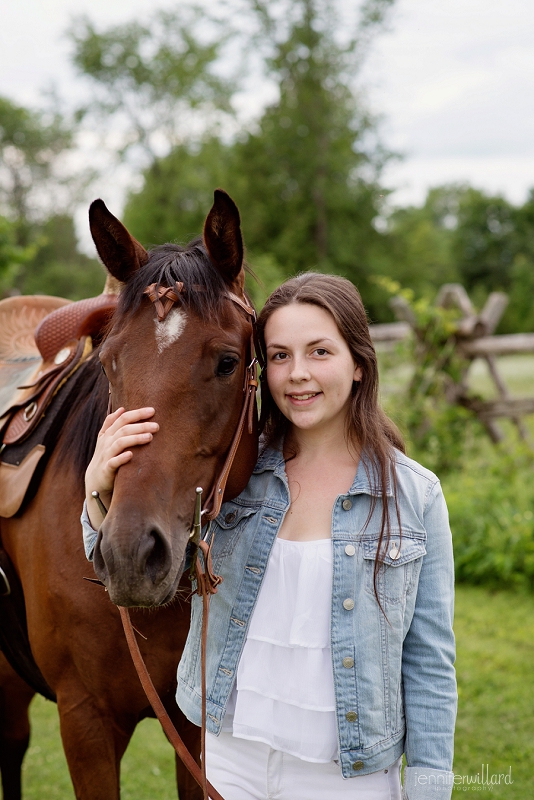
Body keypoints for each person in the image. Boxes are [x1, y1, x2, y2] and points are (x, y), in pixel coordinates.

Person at [82, 272, 457, 800]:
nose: (298, 374)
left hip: (349, 777)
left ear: (358, 364)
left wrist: (429, 788)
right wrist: (97, 490)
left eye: (319, 351)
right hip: (230, 759)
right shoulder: (236, 481)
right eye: (280, 355)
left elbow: (430, 665)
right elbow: (142, 565)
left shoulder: (413, 496)